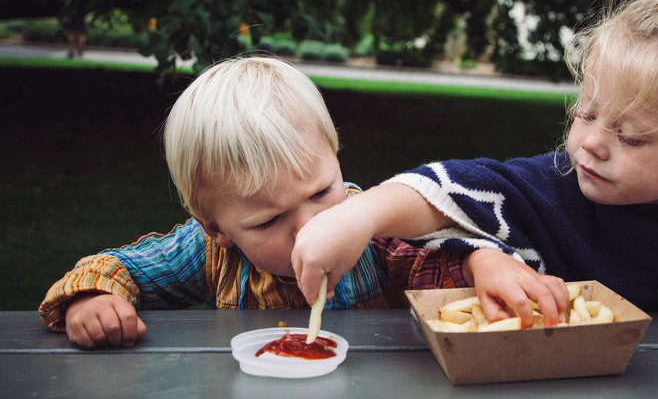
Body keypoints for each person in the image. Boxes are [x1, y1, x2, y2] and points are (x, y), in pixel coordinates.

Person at [291, 0, 658, 349]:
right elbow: (446, 187)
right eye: (586, 113)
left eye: (631, 137)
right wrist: (356, 218)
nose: (590, 144)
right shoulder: (554, 186)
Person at [39, 56, 471, 349]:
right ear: (217, 229)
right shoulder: (207, 254)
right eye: (268, 221)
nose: (311, 228)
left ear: (336, 160)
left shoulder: (374, 234)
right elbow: (118, 268)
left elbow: (440, 267)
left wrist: (478, 265)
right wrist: (94, 300)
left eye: (321, 193)